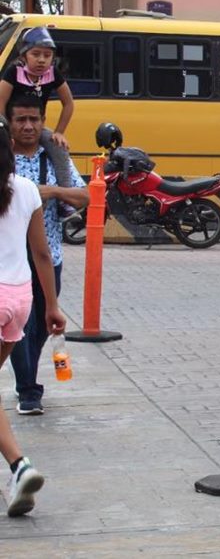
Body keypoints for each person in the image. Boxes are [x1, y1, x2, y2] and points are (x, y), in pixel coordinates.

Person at [0, 114, 68, 517]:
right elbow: (42, 254)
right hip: (19, 302)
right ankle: (17, 469)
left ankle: (20, 463)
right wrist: (54, 305)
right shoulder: (27, 188)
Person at [6, 93, 87, 416]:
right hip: (11, 261)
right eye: (20, 120)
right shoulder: (3, 158)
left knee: (41, 325)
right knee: (17, 326)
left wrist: (51, 191)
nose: (28, 126)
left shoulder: (54, 157)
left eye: (34, 120)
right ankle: (28, 389)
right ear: (9, 123)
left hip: (48, 255)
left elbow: (85, 196)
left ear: (42, 122)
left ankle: (27, 377)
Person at [0, 27, 78, 216]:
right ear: (24, 55)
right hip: (9, 124)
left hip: (35, 126)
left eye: (47, 55)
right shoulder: (13, 72)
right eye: (36, 54)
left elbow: (68, 103)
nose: (42, 60)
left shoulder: (53, 74)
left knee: (58, 148)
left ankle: (65, 199)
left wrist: (59, 132)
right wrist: (5, 129)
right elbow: (0, 102)